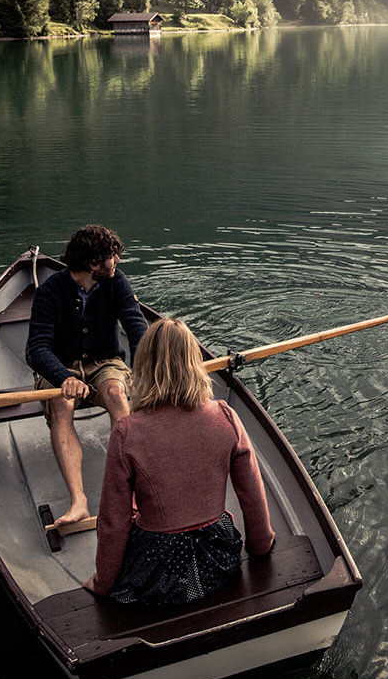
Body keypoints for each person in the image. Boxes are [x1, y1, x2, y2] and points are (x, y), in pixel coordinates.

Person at [84, 317, 275, 606]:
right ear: (194, 362)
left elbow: (114, 521)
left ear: (143, 366)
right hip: (218, 559)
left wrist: (102, 582)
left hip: (157, 571)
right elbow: (252, 495)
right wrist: (260, 547)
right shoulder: (225, 416)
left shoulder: (127, 432)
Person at [26, 224, 148, 527]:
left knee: (118, 394)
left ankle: (132, 491)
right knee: (62, 405)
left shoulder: (117, 282)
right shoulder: (50, 292)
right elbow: (37, 349)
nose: (117, 261)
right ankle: (78, 501)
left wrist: (146, 370)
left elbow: (137, 328)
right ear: (94, 264)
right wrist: (61, 376)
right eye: (112, 256)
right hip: (61, 365)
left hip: (105, 362)